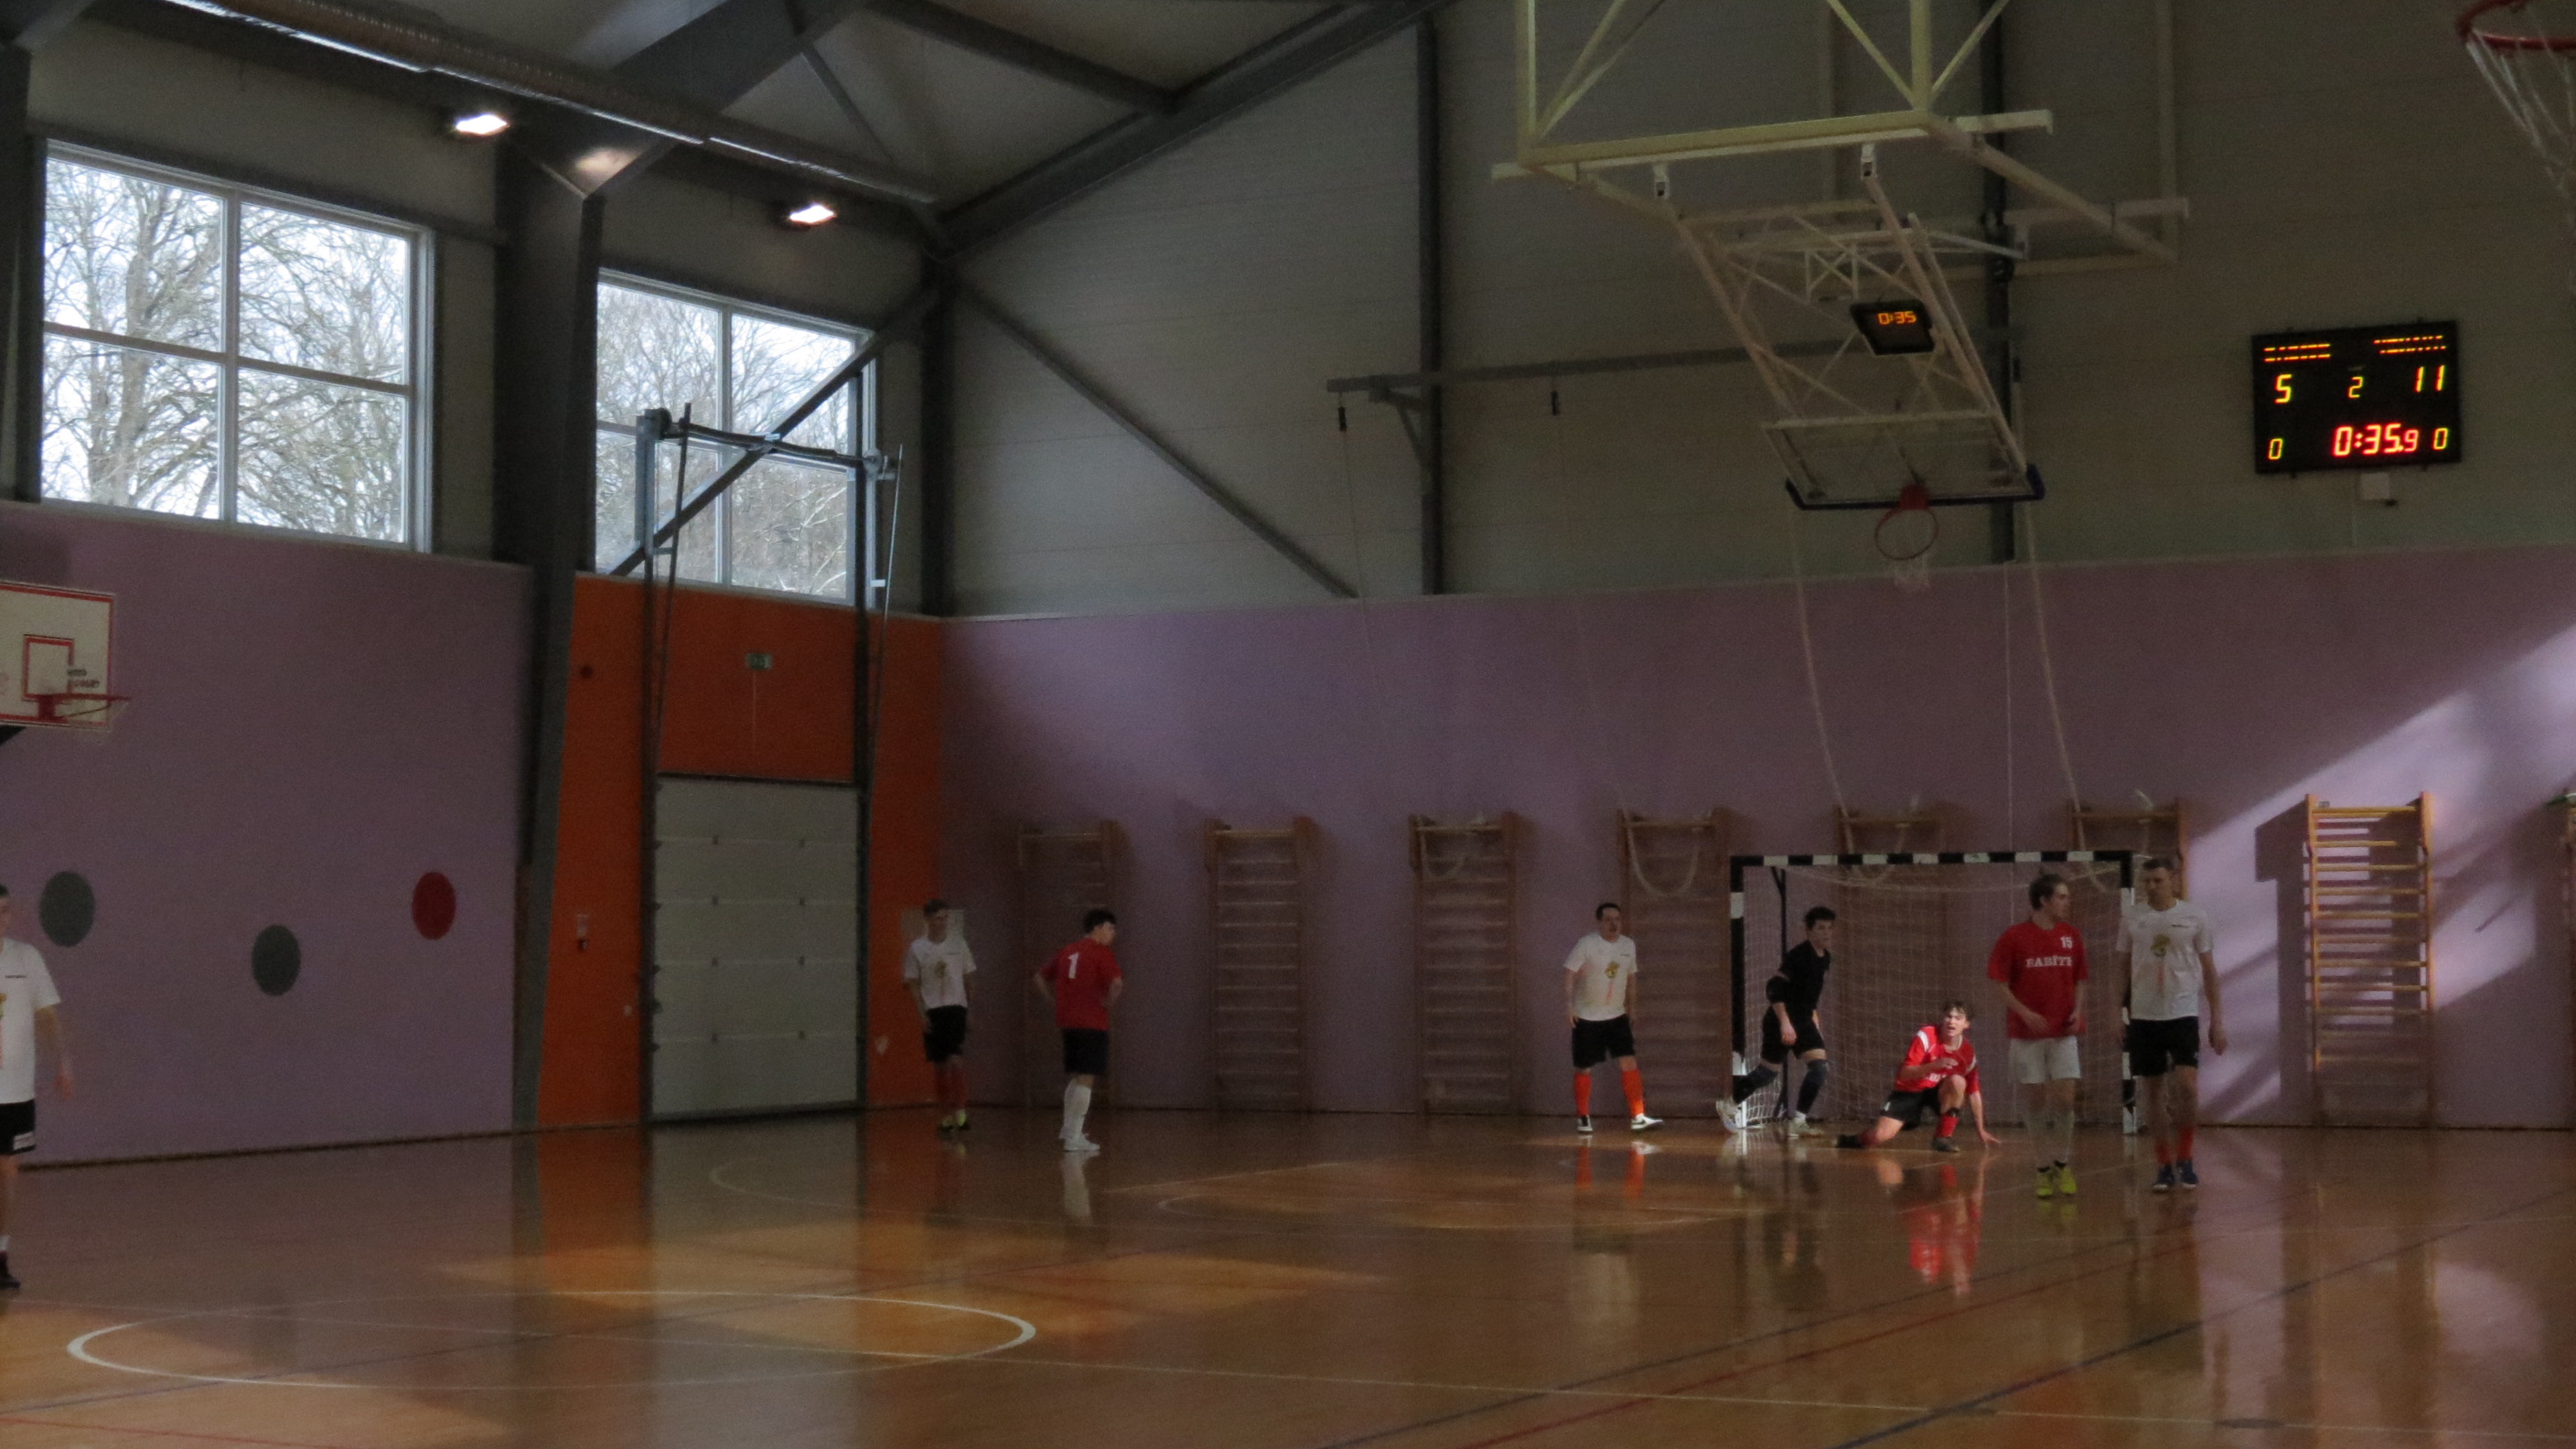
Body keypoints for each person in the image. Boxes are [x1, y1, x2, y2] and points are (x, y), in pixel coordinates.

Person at [2115, 857, 2224, 1192]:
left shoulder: (2195, 916)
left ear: (2172, 880)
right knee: (2153, 1091)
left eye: (2158, 881)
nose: (2151, 887)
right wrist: (2116, 1012)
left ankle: (2186, 1157)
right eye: (2146, 881)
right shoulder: (2132, 917)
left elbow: (2209, 971)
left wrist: (2217, 1020)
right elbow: (2121, 968)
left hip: (2183, 1012)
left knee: (2186, 1086)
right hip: (2144, 1015)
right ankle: (2163, 1164)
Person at [1989, 873, 2088, 1199]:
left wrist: (2078, 1010)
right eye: (2061, 896)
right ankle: (2042, 1167)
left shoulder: (2071, 936)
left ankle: (2063, 1162)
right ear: (2044, 901)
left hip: (2063, 1032)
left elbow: (2080, 979)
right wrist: (2025, 1013)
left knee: (2065, 1099)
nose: (2067, 902)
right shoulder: (2014, 937)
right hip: (2026, 1034)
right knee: (2035, 1100)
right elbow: (1999, 984)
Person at [0, 884, 71, 1292]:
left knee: (8, 1171)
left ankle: (1, 1255)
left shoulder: (26, 958)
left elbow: (47, 1015)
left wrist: (62, 1060)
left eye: (5, 910)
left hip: (15, 1092)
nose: (1, 918)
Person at [1723, 906, 1836, 1133]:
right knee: (1767, 1074)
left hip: (1804, 1020)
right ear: (1809, 930)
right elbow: (1774, 988)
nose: (1826, 933)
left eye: (1829, 928)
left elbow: (1811, 997)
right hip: (1780, 1020)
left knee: (1820, 1068)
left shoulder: (1825, 958)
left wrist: (1815, 1023)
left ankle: (1799, 1121)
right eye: (1821, 928)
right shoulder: (1798, 956)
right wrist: (1785, 1023)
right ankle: (1729, 1104)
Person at [1835, 1001, 1998, 1152]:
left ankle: (1942, 1137)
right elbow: (1905, 1073)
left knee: (1958, 1081)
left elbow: (1974, 1093)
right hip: (1910, 1090)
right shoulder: (1927, 1035)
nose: (1951, 1022)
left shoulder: (1967, 1053)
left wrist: (1981, 1129)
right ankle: (1850, 1141)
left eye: (1958, 1018)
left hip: (1937, 1094)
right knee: (1879, 1136)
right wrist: (1933, 1066)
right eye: (1948, 1016)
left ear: (1966, 1024)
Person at [1562, 903, 1662, 1135]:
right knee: (1584, 1068)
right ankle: (1583, 1117)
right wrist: (1569, 1005)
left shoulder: (1628, 945)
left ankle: (1638, 1116)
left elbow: (1632, 977)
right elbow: (1569, 972)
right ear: (1599, 922)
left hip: (1616, 1015)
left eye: (1617, 919)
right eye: (1608, 919)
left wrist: (1632, 1008)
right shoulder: (1586, 944)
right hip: (1587, 1017)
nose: (1613, 924)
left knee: (1629, 1062)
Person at [1036, 908, 1123, 1154]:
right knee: (1087, 1078)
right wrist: (1109, 1002)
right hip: (1091, 1022)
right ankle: (1074, 1137)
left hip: (1068, 1022)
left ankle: (1068, 1130)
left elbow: (1039, 977)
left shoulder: (1068, 951)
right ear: (1097, 928)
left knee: (1077, 1076)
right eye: (1110, 928)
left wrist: (1052, 1001)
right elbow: (1117, 983)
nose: (1113, 934)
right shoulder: (1101, 953)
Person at [902, 898, 977, 1132]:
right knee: (940, 1064)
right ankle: (945, 1115)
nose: (942, 922)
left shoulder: (958, 944)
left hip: (956, 1007)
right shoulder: (917, 949)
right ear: (928, 920)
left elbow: (969, 977)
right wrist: (921, 1012)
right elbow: (913, 983)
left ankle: (961, 1112)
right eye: (938, 918)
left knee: (955, 1058)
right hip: (934, 1009)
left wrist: (969, 1010)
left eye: (945, 918)